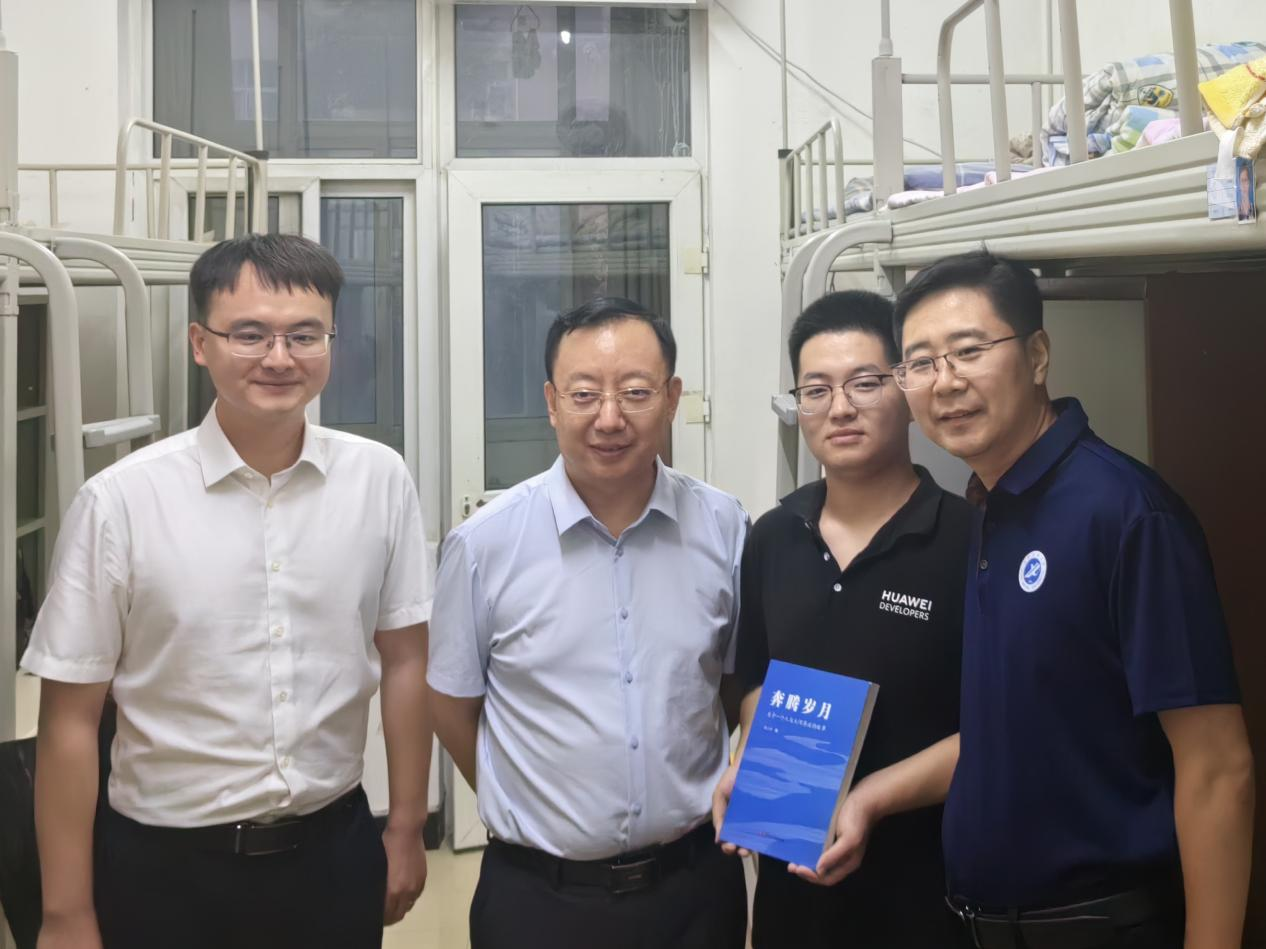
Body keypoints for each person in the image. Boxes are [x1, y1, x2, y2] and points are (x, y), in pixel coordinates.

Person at [830, 251, 1254, 949]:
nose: (946, 381)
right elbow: (1012, 732)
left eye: (970, 350)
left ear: (1037, 355)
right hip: (985, 924)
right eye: (921, 362)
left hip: (1100, 925)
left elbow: (1218, 767)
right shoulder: (991, 506)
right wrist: (871, 796)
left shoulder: (1127, 514)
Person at [23, 234, 434, 949]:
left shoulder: (379, 480)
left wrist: (406, 825)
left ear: (331, 341)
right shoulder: (121, 502)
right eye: (249, 334)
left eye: (304, 335)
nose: (279, 357)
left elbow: (406, 661)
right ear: (199, 343)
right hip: (165, 868)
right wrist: (65, 912)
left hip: (333, 855)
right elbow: (70, 720)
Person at [428, 297, 748, 949]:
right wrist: (529, 799)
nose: (609, 418)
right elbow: (454, 703)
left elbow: (731, 683)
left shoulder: (724, 526)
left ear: (672, 398)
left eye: (635, 392)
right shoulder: (485, 544)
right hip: (539, 899)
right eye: (583, 394)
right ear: (551, 403)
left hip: (695, 886)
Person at [711, 291, 971, 948]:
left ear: (906, 388)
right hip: (793, 893)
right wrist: (752, 760)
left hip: (927, 891)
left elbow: (1000, 728)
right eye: (816, 390)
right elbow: (753, 678)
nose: (840, 408)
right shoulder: (773, 536)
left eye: (864, 382)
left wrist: (871, 798)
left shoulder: (968, 540)